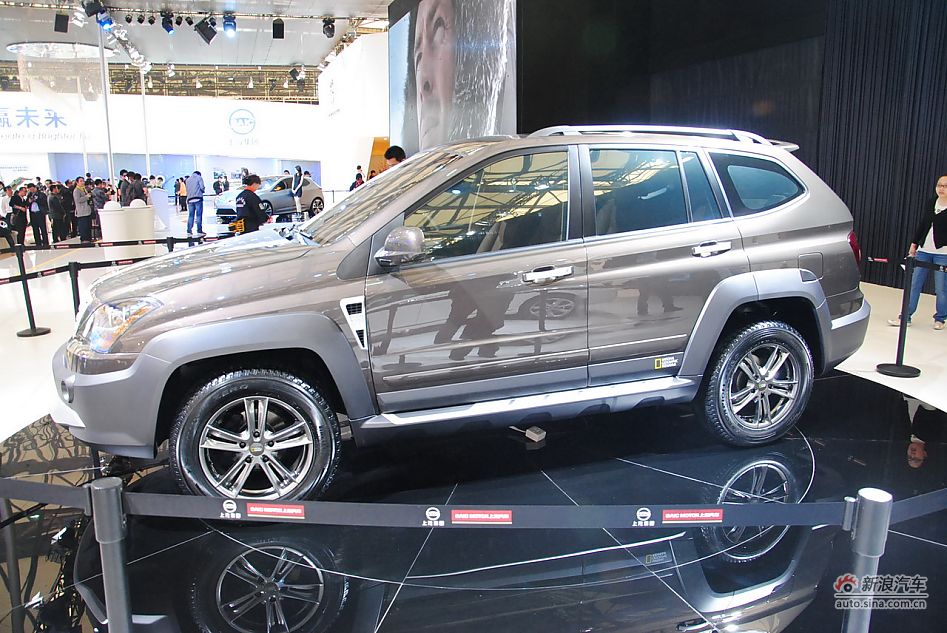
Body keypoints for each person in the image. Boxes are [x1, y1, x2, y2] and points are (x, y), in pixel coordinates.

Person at [889, 174, 947, 330]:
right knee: (914, 284)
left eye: (945, 186)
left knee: (941, 288)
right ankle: (905, 316)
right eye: (939, 185)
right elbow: (923, 224)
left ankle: (940, 318)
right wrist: (914, 244)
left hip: (943, 253)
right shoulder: (931, 202)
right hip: (924, 250)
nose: (941, 189)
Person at [26, 182, 49, 247]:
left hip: (40, 213)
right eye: (30, 189)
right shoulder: (29, 195)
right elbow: (26, 203)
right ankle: (38, 243)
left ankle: (45, 242)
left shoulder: (41, 194)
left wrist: (36, 200)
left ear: (35, 187)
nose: (31, 190)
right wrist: (29, 201)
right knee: (35, 229)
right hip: (32, 214)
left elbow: (44, 202)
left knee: (43, 228)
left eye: (32, 189)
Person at [73, 177, 93, 243]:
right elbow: (78, 200)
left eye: (83, 181)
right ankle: (84, 239)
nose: (82, 182)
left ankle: (89, 238)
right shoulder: (76, 190)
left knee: (88, 226)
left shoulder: (84, 189)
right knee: (83, 226)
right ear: (77, 182)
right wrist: (86, 197)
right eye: (81, 181)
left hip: (87, 210)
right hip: (81, 211)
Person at [185, 170, 206, 235]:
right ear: (199, 174)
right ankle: (199, 230)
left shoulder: (187, 180)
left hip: (190, 199)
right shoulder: (199, 177)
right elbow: (202, 187)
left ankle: (189, 230)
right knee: (198, 215)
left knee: (191, 215)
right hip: (198, 198)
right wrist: (203, 191)